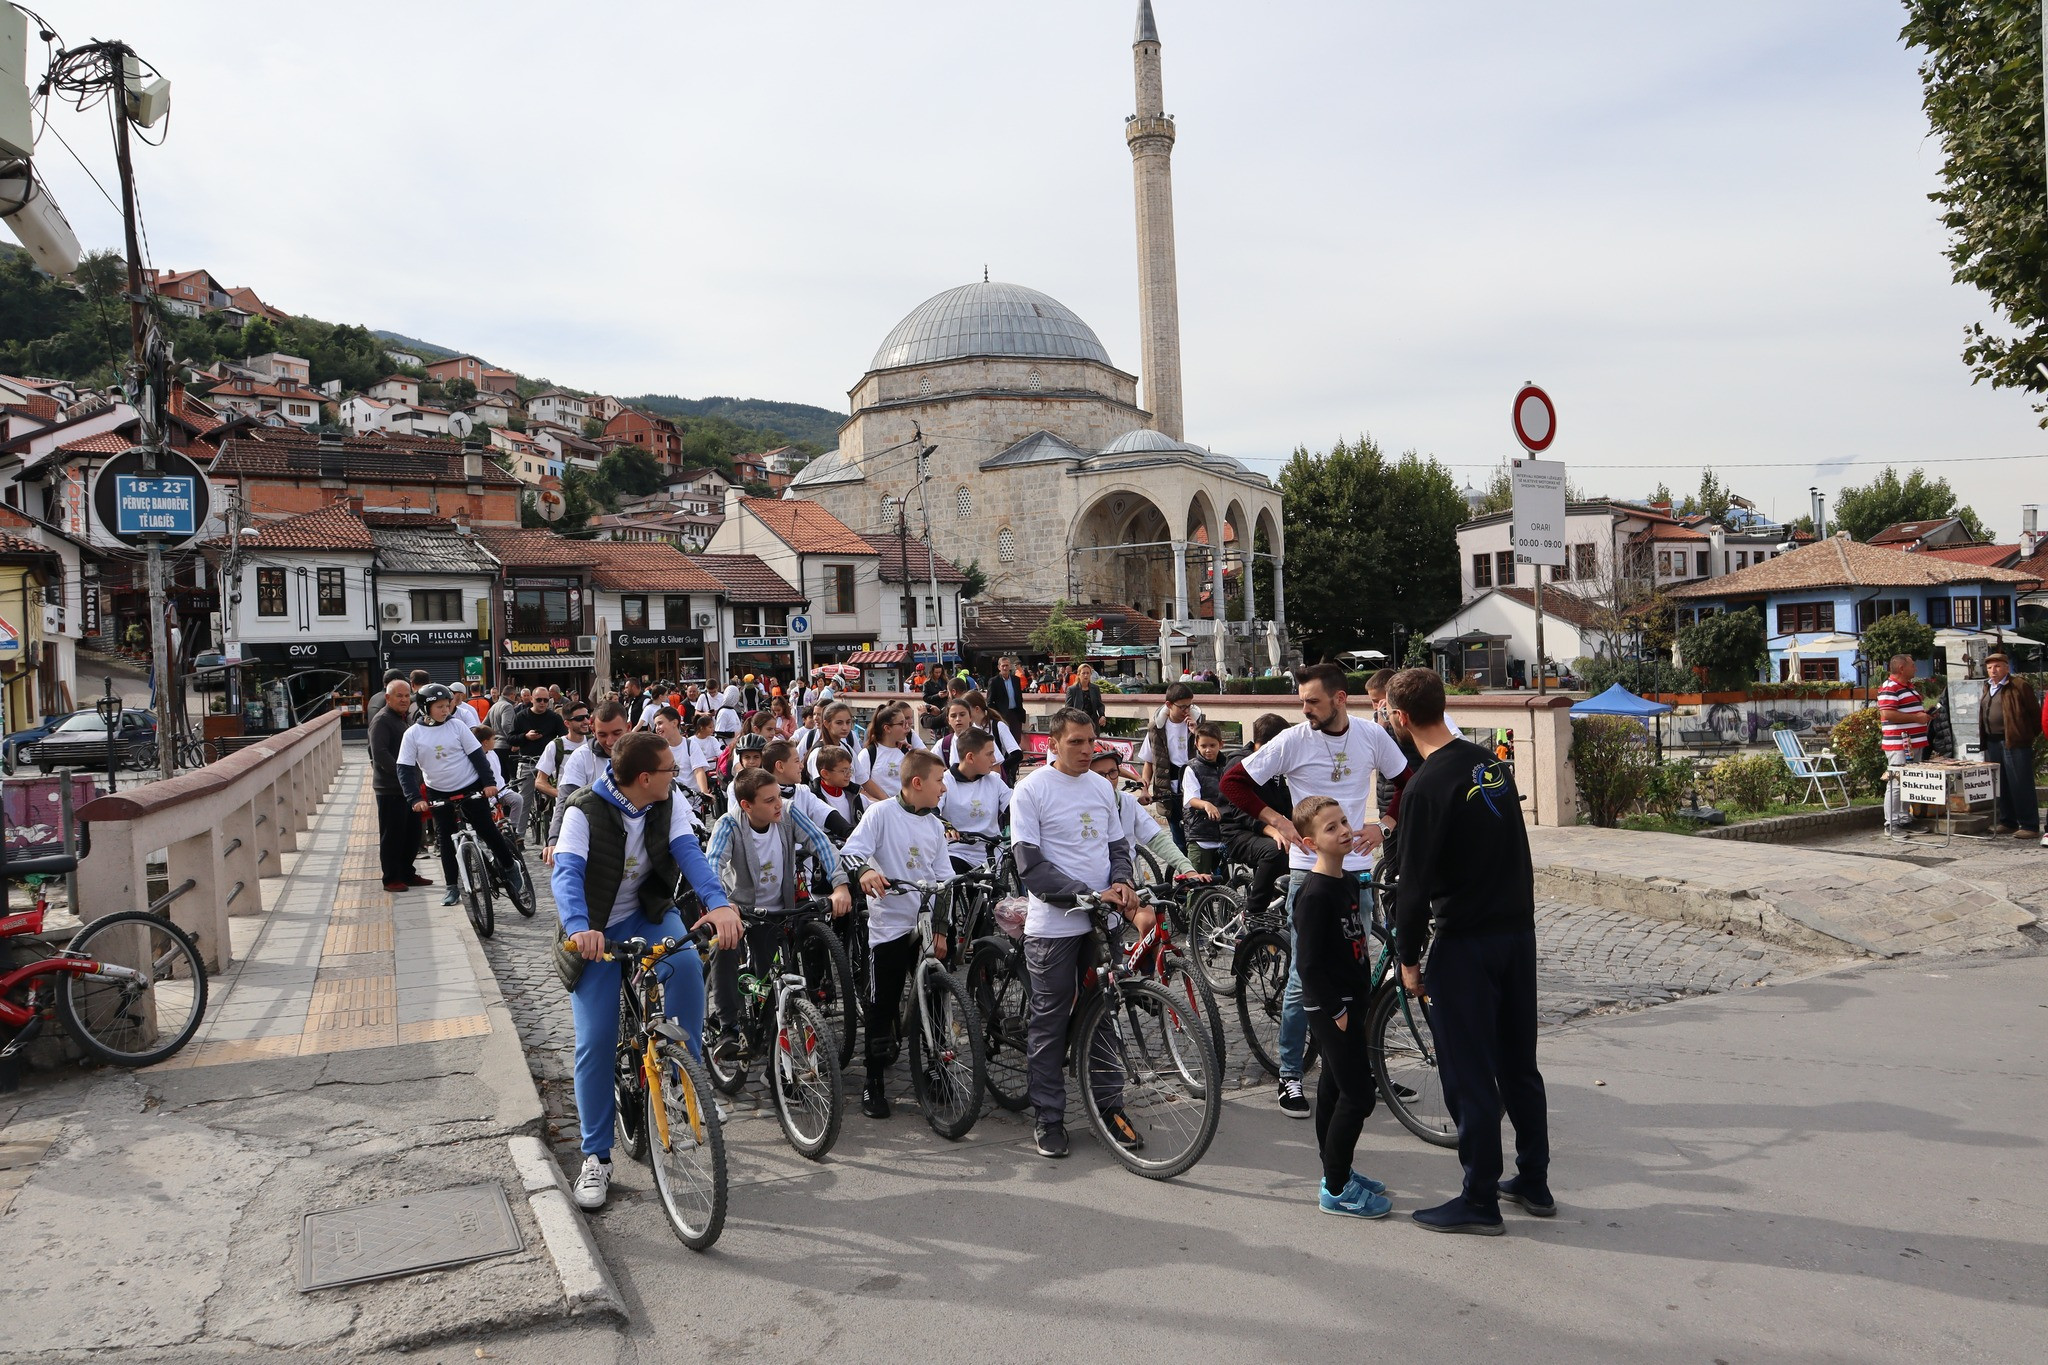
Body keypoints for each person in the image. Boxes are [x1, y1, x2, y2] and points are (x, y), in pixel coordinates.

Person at [1386, 666, 1549, 1235]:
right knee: (1518, 1065)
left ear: (1399, 718)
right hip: (1516, 935)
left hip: (1467, 943)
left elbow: (1412, 881)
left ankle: (1478, 1198)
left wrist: (1408, 958)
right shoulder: (1489, 763)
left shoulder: (1427, 786)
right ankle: (1534, 1179)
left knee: (1468, 1072)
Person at [553, 730, 742, 1212]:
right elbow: (567, 874)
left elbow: (690, 855)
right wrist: (579, 928)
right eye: (668, 770)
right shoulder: (583, 810)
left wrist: (718, 904)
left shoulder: (666, 800)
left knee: (685, 969)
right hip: (594, 929)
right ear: (643, 777)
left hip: (648, 913)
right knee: (594, 1043)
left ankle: (684, 1085)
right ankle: (596, 1157)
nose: (675, 775)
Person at [1221, 661, 1409, 1119]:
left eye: (1313, 702)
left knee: (1358, 975)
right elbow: (1233, 782)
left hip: (1358, 871)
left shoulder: (1370, 734)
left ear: (1340, 699)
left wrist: (1384, 824)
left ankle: (1359, 1069)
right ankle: (1289, 1073)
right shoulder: (1292, 740)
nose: (1304, 709)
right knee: (1307, 978)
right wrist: (1277, 820)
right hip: (1310, 873)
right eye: (1302, 701)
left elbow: (1408, 779)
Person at [1011, 707, 1149, 1158]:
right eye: (1076, 742)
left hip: (1102, 921)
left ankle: (1110, 1107)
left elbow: (1117, 846)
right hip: (1054, 927)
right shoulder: (1030, 790)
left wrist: (1123, 881)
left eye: (1092, 741)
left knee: (1103, 1015)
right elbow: (1030, 865)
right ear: (1052, 743)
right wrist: (1083, 894)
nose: (1088, 750)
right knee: (1050, 1023)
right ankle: (1048, 1118)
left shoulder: (1099, 787)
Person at [1290, 794, 1394, 1220]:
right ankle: (1335, 1188)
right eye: (1331, 828)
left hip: (1355, 1000)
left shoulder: (1348, 882)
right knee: (1359, 1095)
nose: (1345, 831)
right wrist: (1336, 1010)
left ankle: (1337, 1169)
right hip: (1333, 1008)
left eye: (1344, 821)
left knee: (1333, 1087)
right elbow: (1308, 966)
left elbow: (1357, 947)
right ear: (1311, 843)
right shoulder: (1314, 895)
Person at [704, 766, 850, 1061]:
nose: (777, 804)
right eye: (769, 800)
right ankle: (728, 1028)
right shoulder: (729, 825)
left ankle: (770, 1032)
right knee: (725, 946)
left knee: (769, 983)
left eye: (778, 797)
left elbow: (821, 843)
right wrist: (721, 905)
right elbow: (712, 864)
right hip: (741, 911)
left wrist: (840, 885)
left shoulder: (789, 812)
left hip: (779, 911)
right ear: (747, 806)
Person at [842, 749, 952, 1119]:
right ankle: (873, 1080)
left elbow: (944, 880)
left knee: (936, 998)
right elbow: (852, 852)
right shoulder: (881, 813)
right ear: (917, 783)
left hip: (922, 925)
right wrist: (865, 874)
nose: (943, 788)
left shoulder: (935, 824)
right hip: (889, 925)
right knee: (881, 1002)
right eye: (939, 781)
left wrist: (941, 927)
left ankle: (937, 1069)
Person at [397, 684, 526, 907]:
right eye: (439, 707)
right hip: (438, 791)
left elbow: (478, 756)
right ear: (426, 708)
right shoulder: (412, 734)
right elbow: (405, 769)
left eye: (447, 706)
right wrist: (415, 799)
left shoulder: (457, 727)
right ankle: (451, 887)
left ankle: (509, 866)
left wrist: (489, 784)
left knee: (487, 829)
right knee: (446, 839)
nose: (445, 710)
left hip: (469, 785)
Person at [1219, 713, 1293, 924]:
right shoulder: (1240, 763)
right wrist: (1272, 829)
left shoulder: (1276, 768)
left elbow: (1287, 803)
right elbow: (1240, 811)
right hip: (1238, 832)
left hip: (1267, 829)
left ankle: (1287, 907)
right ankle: (1254, 914)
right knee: (1275, 850)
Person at [1088, 743, 1198, 879]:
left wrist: (1187, 868)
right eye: (1099, 775)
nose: (1108, 780)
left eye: (1112, 772)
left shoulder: (1127, 802)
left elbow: (1156, 837)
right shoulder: (1079, 805)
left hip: (1124, 881)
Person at [543, 702, 634, 862]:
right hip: (595, 839)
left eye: (616, 733)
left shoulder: (645, 754)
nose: (610, 741)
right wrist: (555, 839)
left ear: (628, 727)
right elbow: (566, 800)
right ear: (593, 731)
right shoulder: (581, 757)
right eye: (602, 735)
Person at [370, 679, 427, 893]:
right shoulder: (382, 720)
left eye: (406, 696)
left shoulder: (404, 718)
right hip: (391, 788)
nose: (404, 699)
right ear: (388, 698)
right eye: (399, 696)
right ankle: (391, 878)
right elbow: (380, 755)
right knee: (392, 835)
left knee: (411, 833)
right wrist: (405, 776)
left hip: (409, 787)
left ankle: (407, 873)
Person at [1979, 651, 2040, 838]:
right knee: (2002, 783)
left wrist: (2025, 735)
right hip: (1993, 740)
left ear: (2006, 667)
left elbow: (2035, 714)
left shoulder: (2019, 685)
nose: (1993, 670)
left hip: (2013, 740)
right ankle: (2008, 821)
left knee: (2020, 782)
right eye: (1989, 667)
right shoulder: (1987, 687)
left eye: (1997, 666)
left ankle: (2029, 825)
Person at [1137, 683, 1202, 850]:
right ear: (1169, 705)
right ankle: (1185, 874)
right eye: (1182, 707)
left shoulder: (1198, 723)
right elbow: (1149, 762)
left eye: (1190, 705)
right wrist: (1144, 789)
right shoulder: (1156, 728)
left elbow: (1211, 752)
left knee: (1198, 837)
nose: (1186, 710)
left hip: (1195, 788)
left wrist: (1197, 733)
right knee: (1179, 840)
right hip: (1169, 791)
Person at [1877, 654, 1929, 835]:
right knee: (1896, 783)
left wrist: (1924, 716)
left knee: (1909, 781)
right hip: (1899, 743)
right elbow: (1887, 714)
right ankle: (1891, 823)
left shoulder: (1909, 687)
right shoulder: (1890, 687)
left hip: (1913, 743)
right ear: (1901, 668)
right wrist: (1917, 718)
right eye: (1912, 665)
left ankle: (1904, 818)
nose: (1915, 668)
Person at [1179, 722, 1231, 874]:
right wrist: (1206, 805)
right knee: (1198, 882)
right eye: (1203, 746)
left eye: (1212, 745)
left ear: (1221, 744)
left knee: (1224, 886)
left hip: (1223, 832)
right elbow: (1190, 799)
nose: (1208, 750)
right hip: (1200, 833)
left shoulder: (1226, 766)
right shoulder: (1192, 768)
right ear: (1196, 745)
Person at [855, 700, 923, 801]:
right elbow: (859, 785)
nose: (907, 727)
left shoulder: (905, 751)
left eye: (906, 722)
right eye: (901, 723)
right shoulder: (868, 754)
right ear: (887, 728)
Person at [471, 724, 525, 841]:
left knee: (517, 799)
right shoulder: (475, 757)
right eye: (493, 739)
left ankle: (513, 830)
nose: (495, 742)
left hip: (501, 790)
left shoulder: (493, 753)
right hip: (484, 795)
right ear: (485, 742)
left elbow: (498, 774)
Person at [533, 703, 592, 804]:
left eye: (587, 716)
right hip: (566, 806)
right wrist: (562, 794)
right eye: (579, 718)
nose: (586, 721)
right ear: (567, 724)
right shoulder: (555, 746)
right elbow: (539, 781)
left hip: (592, 804)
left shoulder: (594, 743)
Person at [810, 745, 865, 842]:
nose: (849, 774)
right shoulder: (812, 799)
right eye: (844, 771)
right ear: (825, 774)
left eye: (850, 770)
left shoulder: (854, 795)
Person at [806, 702, 859, 779]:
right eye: (839, 723)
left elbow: (863, 779)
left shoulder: (847, 748)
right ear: (826, 724)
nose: (845, 727)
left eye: (848, 722)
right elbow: (821, 786)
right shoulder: (818, 753)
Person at [988, 656, 1029, 745]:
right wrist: (997, 715)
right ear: (999, 667)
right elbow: (989, 702)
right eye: (1003, 666)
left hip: (1015, 715)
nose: (1005, 668)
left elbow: (1019, 697)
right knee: (1004, 741)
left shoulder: (1016, 680)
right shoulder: (994, 681)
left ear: (1010, 666)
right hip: (1002, 715)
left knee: (1016, 741)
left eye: (1007, 665)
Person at [1063, 663, 1106, 728]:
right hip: (1077, 724)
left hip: (1092, 723)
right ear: (1079, 674)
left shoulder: (1095, 688)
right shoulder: (1072, 689)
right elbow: (1068, 709)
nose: (1086, 675)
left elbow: (1099, 705)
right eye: (1083, 673)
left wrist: (1102, 716)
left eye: (1088, 673)